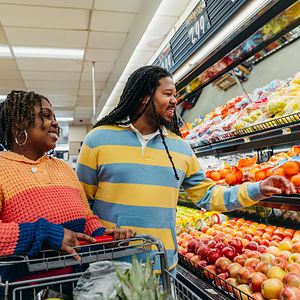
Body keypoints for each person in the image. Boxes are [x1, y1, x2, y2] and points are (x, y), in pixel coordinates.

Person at [76, 66, 296, 272]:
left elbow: (208, 196)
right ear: (144, 96)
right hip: (109, 264)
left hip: (161, 265)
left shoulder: (180, 148)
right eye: (168, 94)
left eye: (175, 95)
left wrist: (259, 188)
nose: (174, 101)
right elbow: (81, 203)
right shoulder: (99, 139)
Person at [0, 90, 135, 284]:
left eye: (54, 117)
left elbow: (86, 217)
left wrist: (103, 235)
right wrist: (45, 232)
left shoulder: (64, 168)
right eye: (46, 116)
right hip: (25, 288)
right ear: (17, 125)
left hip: (78, 282)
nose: (55, 122)